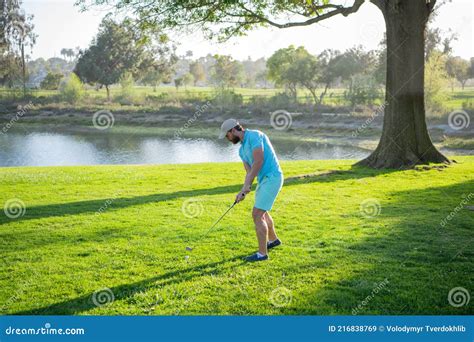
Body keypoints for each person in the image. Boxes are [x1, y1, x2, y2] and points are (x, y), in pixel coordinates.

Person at [219, 119, 284, 262]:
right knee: (263, 211)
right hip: (264, 180)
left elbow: (259, 160)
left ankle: (262, 254)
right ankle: (273, 240)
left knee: (257, 214)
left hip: (272, 177)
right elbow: (249, 171)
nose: (227, 138)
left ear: (233, 131)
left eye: (227, 135)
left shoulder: (255, 136)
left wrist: (246, 185)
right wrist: (244, 189)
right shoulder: (242, 150)